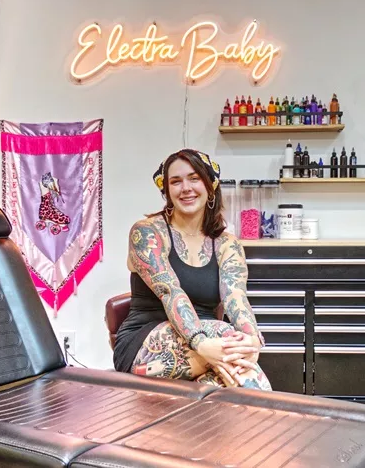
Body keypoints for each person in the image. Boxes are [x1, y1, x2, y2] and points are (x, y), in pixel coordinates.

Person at [113, 148, 271, 390]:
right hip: (144, 348)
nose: (186, 188)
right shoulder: (147, 233)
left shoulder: (227, 244)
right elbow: (170, 291)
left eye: (194, 178)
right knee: (225, 335)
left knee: (223, 386)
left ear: (210, 186)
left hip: (213, 346)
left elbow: (236, 298)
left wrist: (252, 341)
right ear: (167, 191)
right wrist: (202, 344)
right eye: (176, 181)